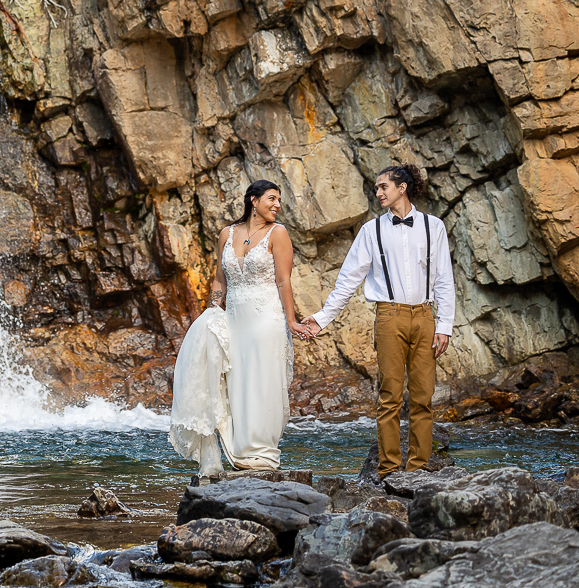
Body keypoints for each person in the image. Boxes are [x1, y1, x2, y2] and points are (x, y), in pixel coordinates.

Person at [304, 163, 455, 477]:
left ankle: (417, 469)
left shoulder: (433, 226)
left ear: (402, 188)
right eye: (376, 188)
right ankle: (388, 469)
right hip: (388, 316)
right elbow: (348, 280)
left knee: (423, 395)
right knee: (389, 395)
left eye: (383, 186)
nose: (378, 192)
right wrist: (322, 319)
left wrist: (444, 325)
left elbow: (444, 280)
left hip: (426, 316)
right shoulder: (371, 231)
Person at [169, 180, 310, 476]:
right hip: (234, 317)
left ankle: (259, 452)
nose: (277, 205)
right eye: (272, 198)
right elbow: (220, 278)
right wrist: (213, 310)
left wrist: (292, 320)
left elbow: (284, 281)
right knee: (234, 381)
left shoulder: (279, 233)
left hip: (266, 317)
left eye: (279, 200)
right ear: (253, 200)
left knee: (262, 380)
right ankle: (237, 448)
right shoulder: (227, 234)